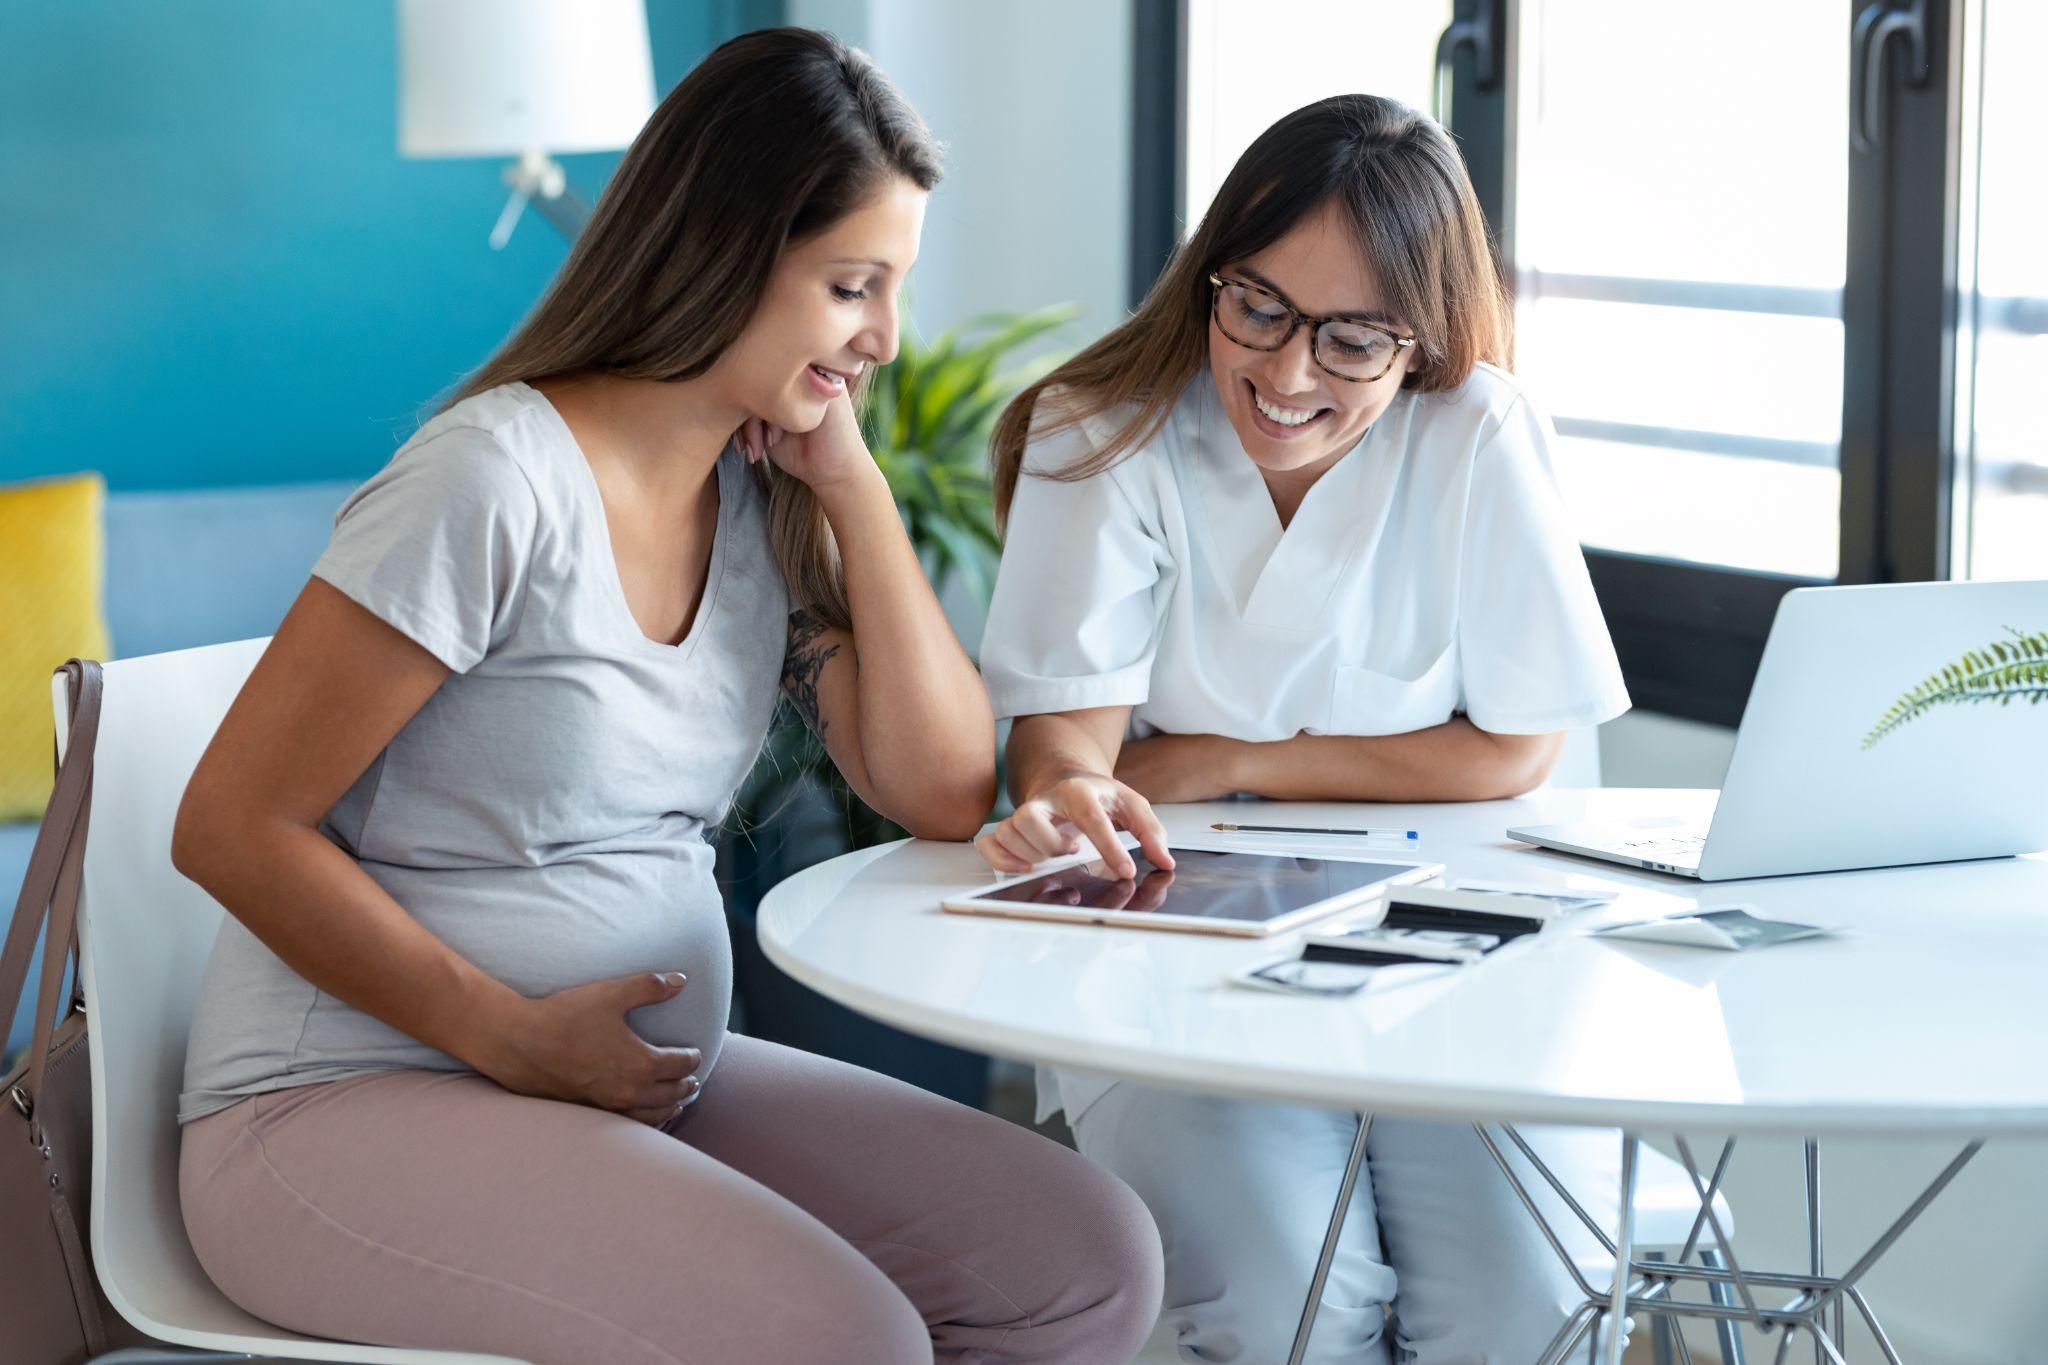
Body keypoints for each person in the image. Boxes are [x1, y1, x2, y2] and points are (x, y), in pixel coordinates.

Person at [170, 29, 1162, 1365]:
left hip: (623, 1088)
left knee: (1079, 1258)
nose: (881, 336)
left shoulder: (757, 495)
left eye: (893, 290)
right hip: (340, 1101)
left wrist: (853, 485)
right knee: (845, 1337)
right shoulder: (490, 482)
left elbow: (932, 788)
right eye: (851, 286)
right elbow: (231, 823)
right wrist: (510, 1037)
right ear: (732, 248)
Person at [977, 94, 1629, 1364]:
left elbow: (1511, 751)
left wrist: (1226, 762)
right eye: (1258, 307)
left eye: (1350, 341)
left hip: (1470, 944)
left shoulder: (1475, 431)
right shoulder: (1102, 431)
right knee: (1286, 1303)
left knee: (1525, 1306)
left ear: (1420, 338)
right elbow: (1068, 744)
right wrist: (1069, 788)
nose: (1283, 375)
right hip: (1181, 949)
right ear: (1210, 274)